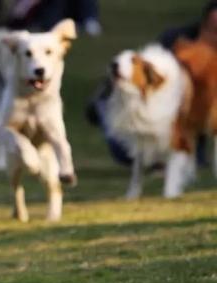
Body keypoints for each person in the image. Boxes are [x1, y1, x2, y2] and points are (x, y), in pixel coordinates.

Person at [87, 1, 217, 167]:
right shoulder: (175, 41)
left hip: (190, 119)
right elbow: (145, 73)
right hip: (151, 110)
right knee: (126, 152)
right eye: (213, 30)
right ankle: (102, 106)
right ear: (203, 26)